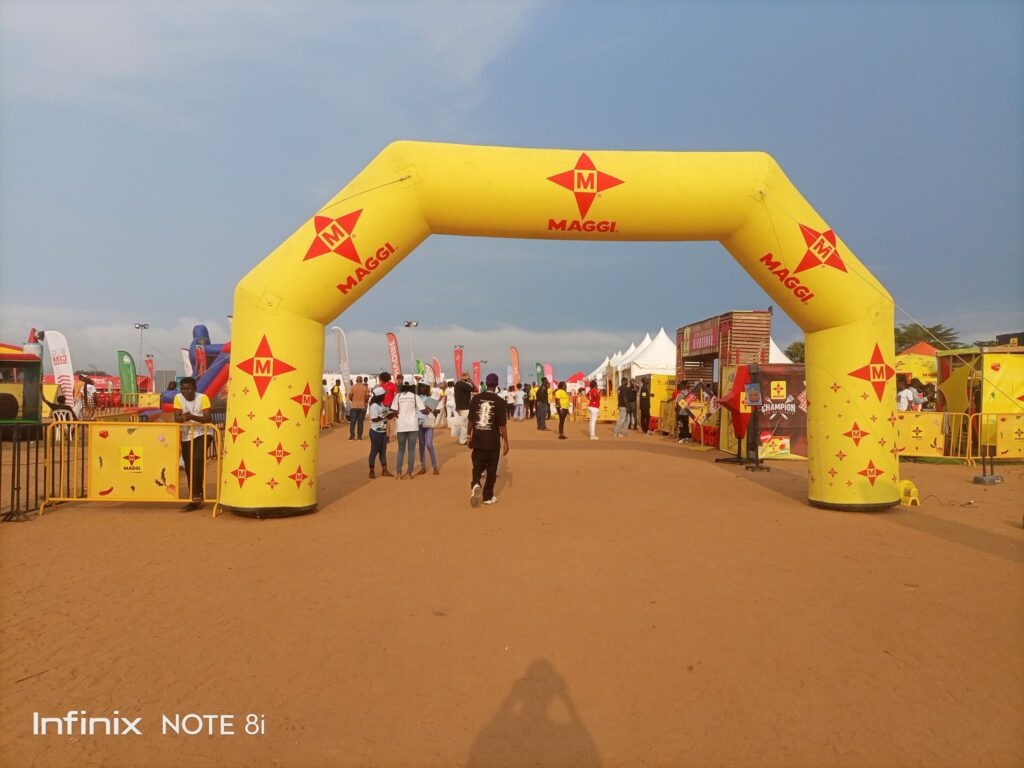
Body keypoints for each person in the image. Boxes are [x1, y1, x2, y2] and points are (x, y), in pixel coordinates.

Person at [467, 372, 509, 507]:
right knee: (491, 470)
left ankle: (476, 483)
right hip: (493, 441)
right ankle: (487, 497)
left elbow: (471, 421)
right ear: (496, 385)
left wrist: (469, 436)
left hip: (478, 439)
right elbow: (502, 425)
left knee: (477, 466)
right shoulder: (501, 402)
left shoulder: (476, 399)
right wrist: (506, 442)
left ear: (486, 383)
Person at [174, 376, 212, 511]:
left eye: (189, 389)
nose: (186, 392)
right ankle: (194, 498)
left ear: (195, 389)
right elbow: (177, 418)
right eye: (183, 389)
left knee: (197, 459)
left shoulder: (203, 398)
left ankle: (196, 495)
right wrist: (184, 418)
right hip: (186, 435)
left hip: (204, 432)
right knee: (189, 466)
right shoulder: (178, 398)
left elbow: (208, 418)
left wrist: (192, 417)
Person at [394, 381, 425, 479]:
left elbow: (394, 410)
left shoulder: (398, 396)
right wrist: (431, 409)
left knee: (400, 450)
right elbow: (423, 410)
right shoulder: (415, 396)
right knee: (411, 450)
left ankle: (399, 473)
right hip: (412, 425)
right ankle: (410, 473)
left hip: (401, 425)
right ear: (412, 386)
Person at [367, 386, 394, 478]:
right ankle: (371, 471)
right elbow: (374, 419)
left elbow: (388, 417)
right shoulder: (374, 406)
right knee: (374, 451)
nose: (384, 396)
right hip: (375, 432)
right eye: (383, 395)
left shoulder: (381, 404)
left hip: (383, 431)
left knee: (383, 451)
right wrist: (386, 413)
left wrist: (391, 413)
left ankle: (385, 470)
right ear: (380, 396)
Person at [417, 382, 440, 475]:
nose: (422, 388)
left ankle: (435, 466)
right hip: (418, 422)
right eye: (420, 386)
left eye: (424, 386)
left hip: (428, 422)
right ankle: (423, 466)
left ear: (427, 388)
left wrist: (433, 410)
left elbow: (429, 411)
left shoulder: (431, 398)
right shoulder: (416, 397)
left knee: (429, 444)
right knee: (421, 445)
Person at [453, 372, 475, 445]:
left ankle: (463, 439)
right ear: (467, 379)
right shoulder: (465, 385)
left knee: (463, 423)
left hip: (459, 407)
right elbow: (474, 389)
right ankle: (463, 440)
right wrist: (472, 382)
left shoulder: (457, 384)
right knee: (465, 424)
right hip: (465, 407)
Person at [348, 376, 369, 440]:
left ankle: (352, 436)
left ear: (356, 380)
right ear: (362, 380)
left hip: (354, 406)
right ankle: (359, 437)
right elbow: (367, 396)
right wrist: (364, 401)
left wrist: (353, 400)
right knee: (360, 422)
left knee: (353, 422)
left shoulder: (353, 387)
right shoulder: (365, 388)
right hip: (362, 406)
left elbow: (350, 396)